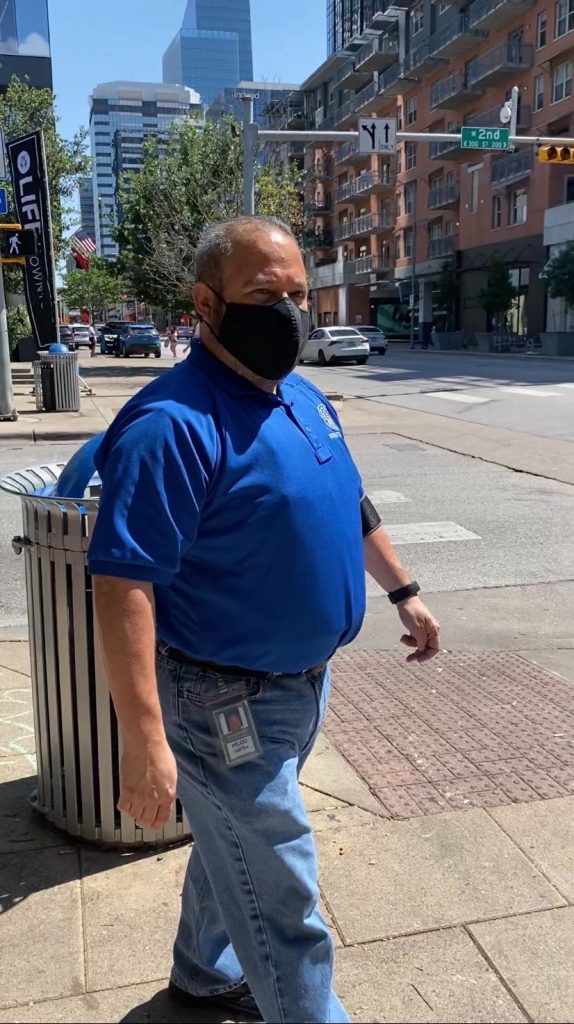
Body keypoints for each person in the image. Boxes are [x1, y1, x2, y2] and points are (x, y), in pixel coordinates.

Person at [88, 216, 441, 1024]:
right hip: (223, 702)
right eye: (263, 295)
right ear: (206, 303)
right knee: (288, 902)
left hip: (299, 687)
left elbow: (349, 503)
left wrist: (402, 590)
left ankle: (204, 973)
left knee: (233, 848)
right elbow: (123, 585)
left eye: (297, 295)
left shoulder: (303, 395)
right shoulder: (170, 425)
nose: (287, 312)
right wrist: (144, 744)